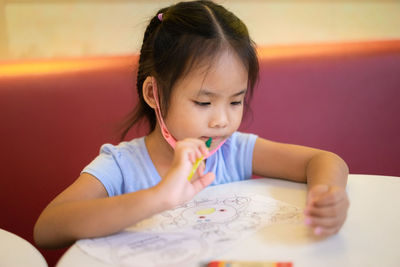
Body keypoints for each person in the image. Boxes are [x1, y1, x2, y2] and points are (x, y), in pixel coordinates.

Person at [34, 0, 349, 249]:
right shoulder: (121, 166)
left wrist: (327, 195)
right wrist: (159, 197)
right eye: (203, 102)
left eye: (236, 101)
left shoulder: (234, 152)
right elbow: (47, 228)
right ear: (153, 93)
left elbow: (323, 160)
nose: (222, 120)